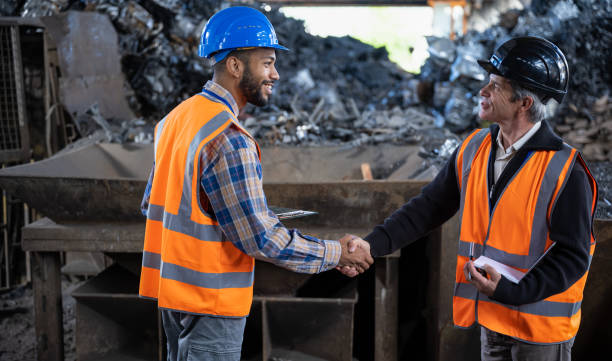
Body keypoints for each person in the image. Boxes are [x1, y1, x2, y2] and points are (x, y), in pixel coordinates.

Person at [138, 6, 373, 361]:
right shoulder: (229, 138)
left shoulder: (176, 119)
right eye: (266, 62)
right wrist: (336, 252)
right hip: (211, 303)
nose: (275, 74)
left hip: (174, 297)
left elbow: (153, 203)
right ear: (235, 65)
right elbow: (261, 238)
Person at [341, 36, 598, 360]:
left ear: (524, 103)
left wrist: (513, 291)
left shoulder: (566, 171)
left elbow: (574, 256)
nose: (482, 92)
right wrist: (372, 245)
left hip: (539, 334)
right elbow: (429, 208)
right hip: (492, 320)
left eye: (495, 85)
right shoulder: (475, 148)